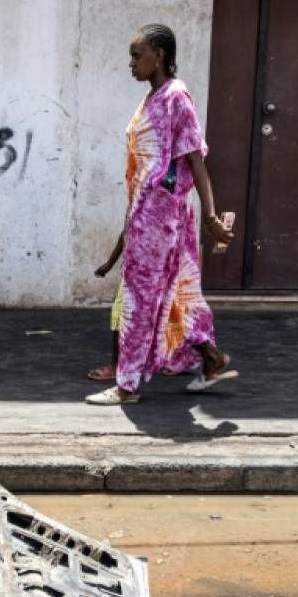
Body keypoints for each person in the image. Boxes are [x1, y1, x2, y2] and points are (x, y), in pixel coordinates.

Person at [85, 23, 237, 406]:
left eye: (138, 55)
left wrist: (210, 215)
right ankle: (212, 359)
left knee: (140, 298)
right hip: (149, 213)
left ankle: (127, 386)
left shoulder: (175, 96)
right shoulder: (152, 99)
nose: (131, 64)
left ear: (160, 55)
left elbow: (195, 160)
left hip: (162, 216)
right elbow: (142, 173)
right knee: (179, 293)